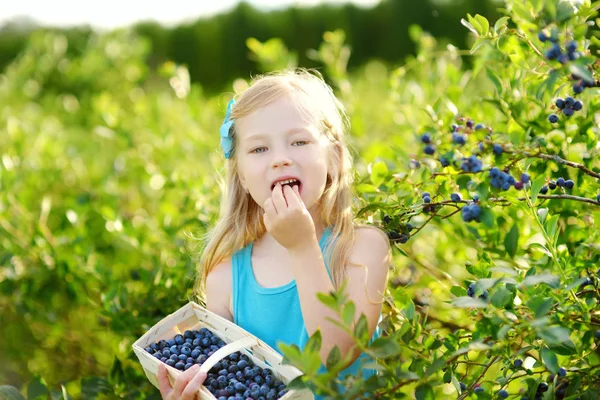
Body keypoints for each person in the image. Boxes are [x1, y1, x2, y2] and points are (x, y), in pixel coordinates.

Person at [158, 68, 391, 400]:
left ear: (334, 157)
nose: (281, 159)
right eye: (259, 149)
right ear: (240, 173)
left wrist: (301, 246)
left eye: (299, 141)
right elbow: (228, 386)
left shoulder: (362, 248)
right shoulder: (225, 275)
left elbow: (335, 354)